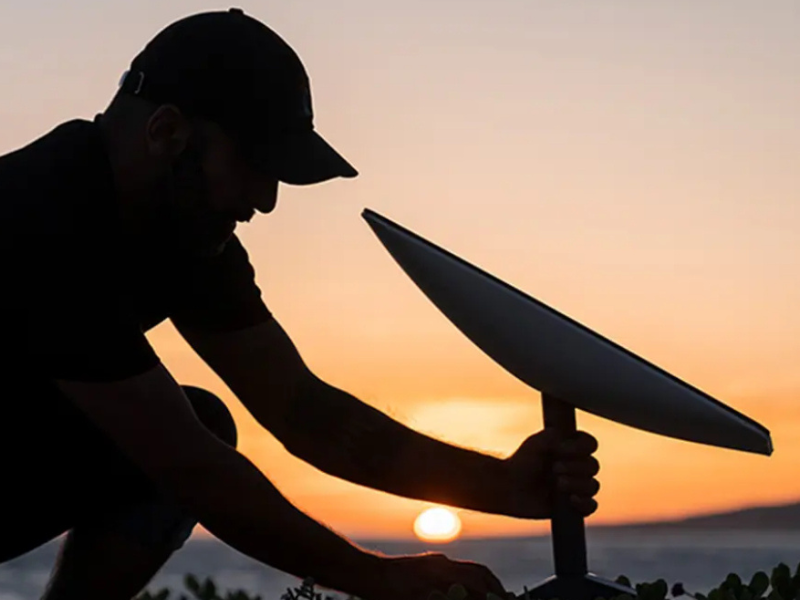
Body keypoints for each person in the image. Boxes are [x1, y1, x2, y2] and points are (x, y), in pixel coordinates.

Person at [0, 8, 601, 600]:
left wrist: (500, 484)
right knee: (184, 443)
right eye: (257, 166)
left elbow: (302, 410)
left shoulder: (186, 232)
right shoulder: (43, 215)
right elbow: (188, 467)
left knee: (203, 421)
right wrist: (377, 577)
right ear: (166, 132)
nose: (266, 201)